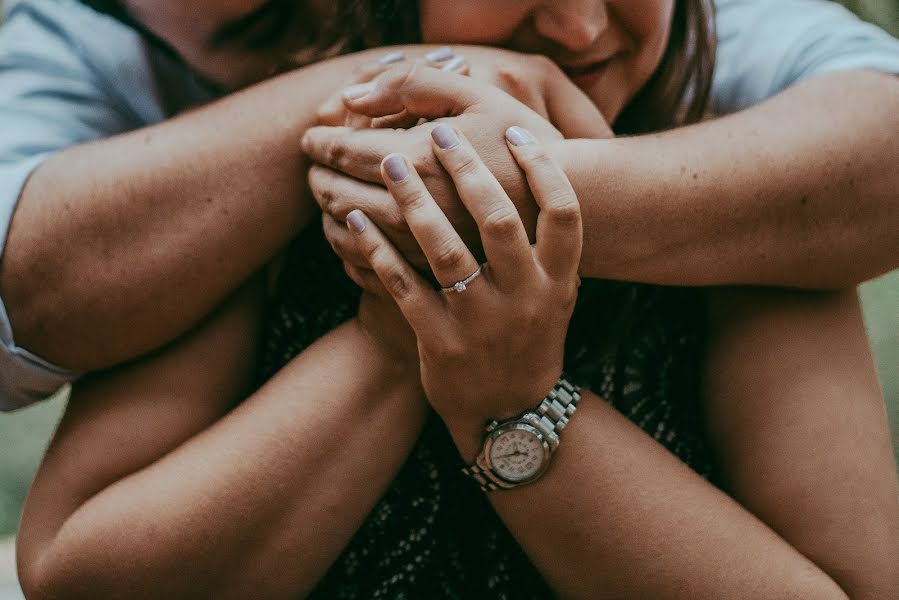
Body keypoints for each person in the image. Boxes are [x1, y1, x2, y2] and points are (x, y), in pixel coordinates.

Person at [2, 0, 897, 597]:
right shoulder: (249, 201)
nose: (581, 26)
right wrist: (400, 332)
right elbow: (82, 579)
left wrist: (506, 401)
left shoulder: (747, 208)